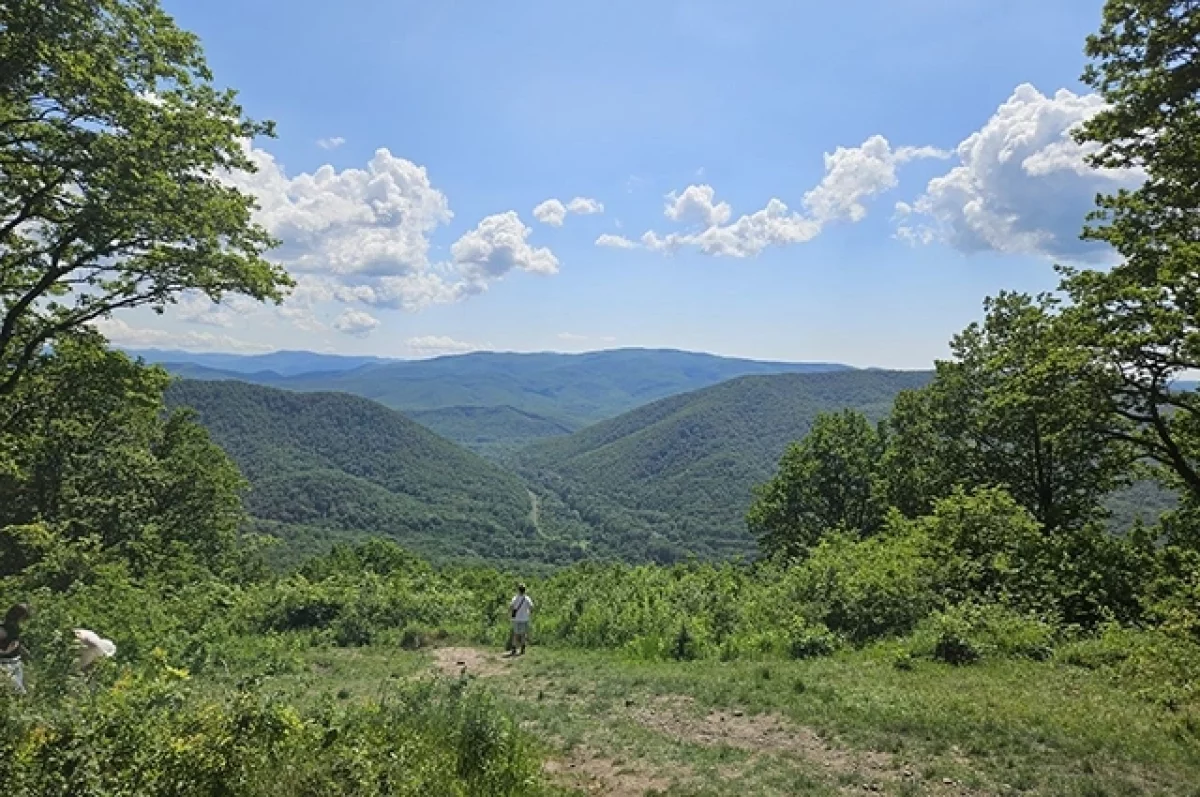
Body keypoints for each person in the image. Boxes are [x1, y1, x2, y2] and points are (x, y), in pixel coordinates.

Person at [0, 604, 31, 695]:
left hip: (15, 662)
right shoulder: (4, 628)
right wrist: (4, 651)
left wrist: (24, 651)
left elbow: (16, 642)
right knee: (18, 692)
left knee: (16, 691)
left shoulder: (15, 628)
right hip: (6, 664)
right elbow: (12, 643)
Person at [509, 584, 534, 656]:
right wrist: (529, 613)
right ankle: (522, 649)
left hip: (516, 619)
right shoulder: (527, 598)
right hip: (524, 619)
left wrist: (510, 614)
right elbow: (532, 607)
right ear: (525, 590)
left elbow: (511, 606)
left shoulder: (515, 598)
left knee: (515, 634)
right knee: (523, 634)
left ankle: (514, 649)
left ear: (518, 590)